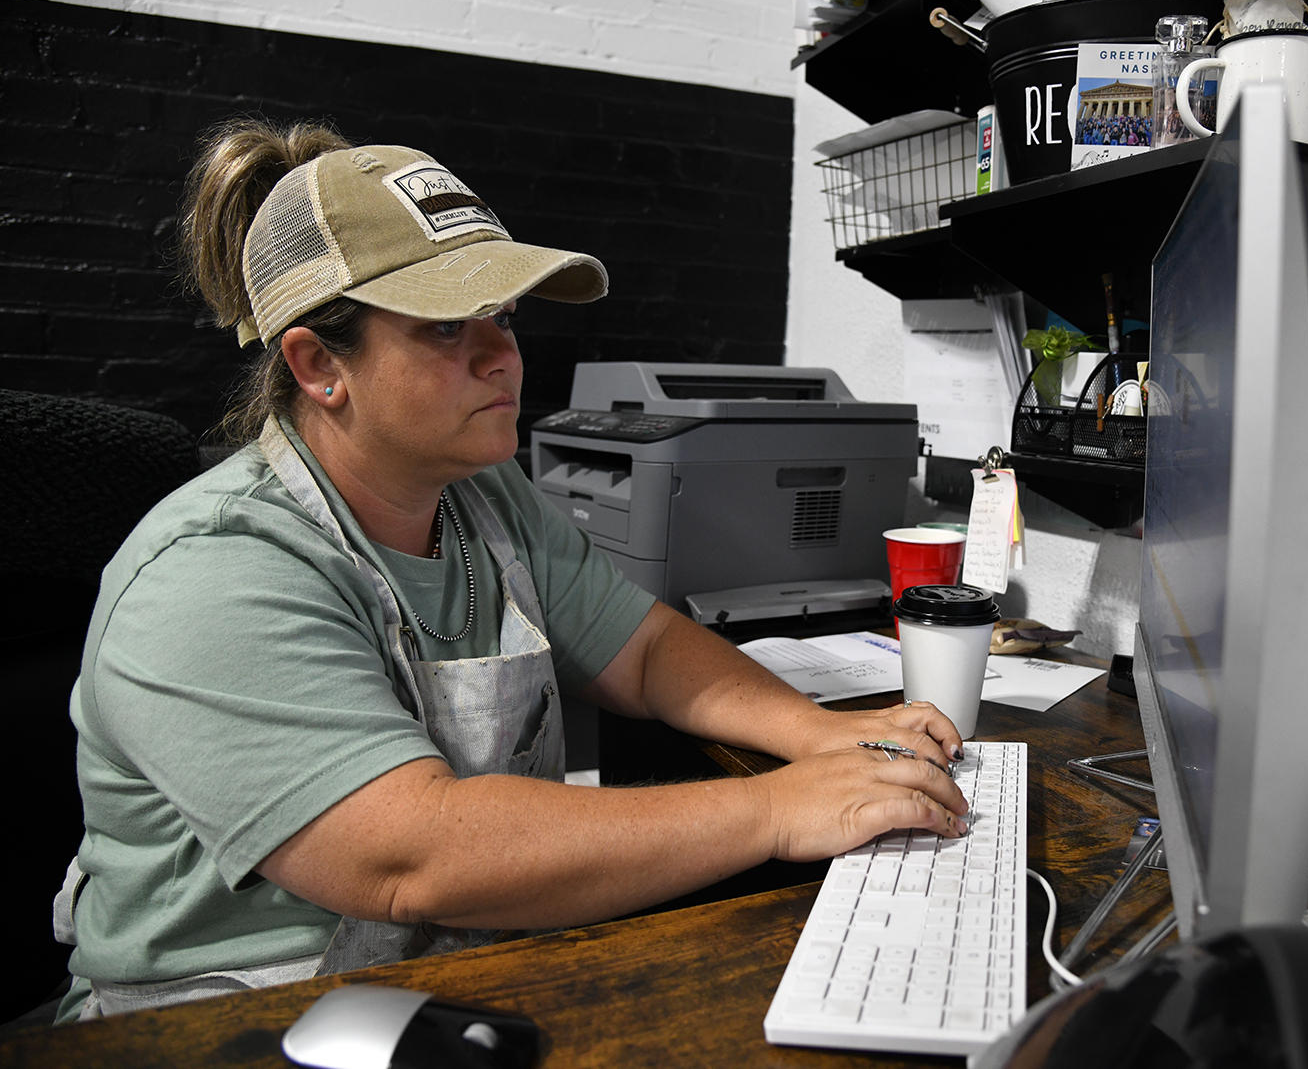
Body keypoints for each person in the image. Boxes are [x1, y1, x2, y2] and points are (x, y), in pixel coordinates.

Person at [54, 119, 969, 1022]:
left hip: (454, 978)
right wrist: (772, 808)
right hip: (226, 1021)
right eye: (448, 327)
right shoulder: (215, 570)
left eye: (502, 317)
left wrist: (815, 735)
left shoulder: (486, 496)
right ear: (318, 363)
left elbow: (644, 648)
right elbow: (409, 856)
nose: (504, 357)